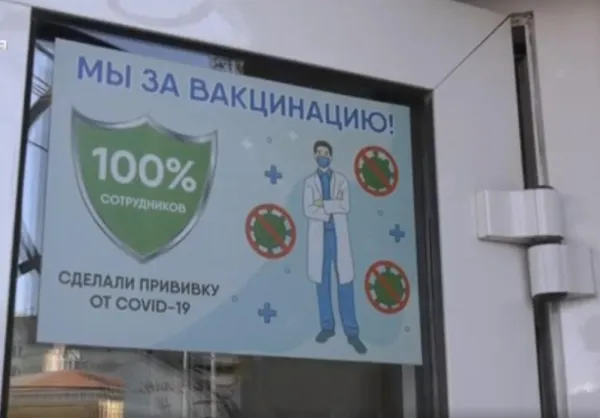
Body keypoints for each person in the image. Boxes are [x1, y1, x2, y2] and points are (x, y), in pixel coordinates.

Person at [303, 140, 367, 355]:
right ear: (315, 156)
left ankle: (352, 332)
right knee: (322, 282)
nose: (323, 155)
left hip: (338, 235)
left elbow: (345, 205)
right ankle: (327, 327)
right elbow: (308, 209)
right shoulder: (310, 182)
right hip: (320, 236)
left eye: (326, 152)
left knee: (345, 282)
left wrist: (322, 204)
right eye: (319, 152)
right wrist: (331, 206)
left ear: (331, 156)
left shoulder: (341, 180)